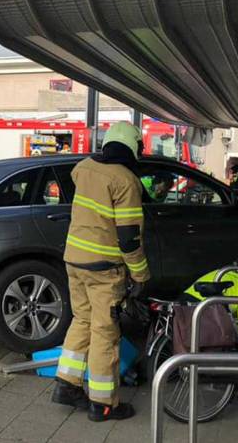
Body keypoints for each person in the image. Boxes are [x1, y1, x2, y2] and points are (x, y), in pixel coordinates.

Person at [51, 122, 150, 422]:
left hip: (74, 260)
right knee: (105, 333)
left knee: (82, 321)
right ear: (133, 146)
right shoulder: (126, 180)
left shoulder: (84, 168)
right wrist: (141, 275)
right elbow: (129, 237)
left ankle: (66, 386)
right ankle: (103, 403)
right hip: (104, 268)